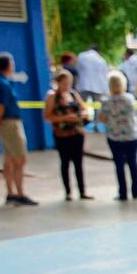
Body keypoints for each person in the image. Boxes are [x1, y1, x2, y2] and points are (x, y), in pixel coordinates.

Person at [0, 54, 36, 206]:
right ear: (8, 65)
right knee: (19, 158)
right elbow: (0, 106)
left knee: (8, 159)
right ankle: (19, 193)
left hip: (4, 124)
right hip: (9, 123)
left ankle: (11, 192)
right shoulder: (3, 85)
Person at [44, 69, 91, 201]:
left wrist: (81, 115)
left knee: (78, 163)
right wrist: (65, 118)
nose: (67, 85)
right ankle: (68, 191)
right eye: (64, 82)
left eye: (69, 82)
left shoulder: (73, 94)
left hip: (77, 133)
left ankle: (82, 191)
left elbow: (84, 109)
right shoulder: (52, 96)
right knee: (65, 162)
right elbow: (47, 116)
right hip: (62, 135)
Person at [99, 71, 137, 201]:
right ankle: (136, 191)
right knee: (133, 163)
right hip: (132, 136)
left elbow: (102, 118)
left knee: (119, 165)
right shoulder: (130, 99)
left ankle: (123, 193)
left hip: (115, 137)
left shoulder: (106, 102)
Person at [76, 45, 109, 131]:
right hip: (98, 87)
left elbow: (78, 70)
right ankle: (97, 125)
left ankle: (79, 124)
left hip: (84, 85)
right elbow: (104, 74)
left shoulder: (82, 56)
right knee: (97, 107)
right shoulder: (101, 60)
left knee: (81, 106)